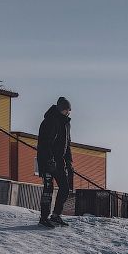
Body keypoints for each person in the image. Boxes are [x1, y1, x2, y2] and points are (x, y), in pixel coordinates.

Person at [36, 97, 74, 227]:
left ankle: (56, 215)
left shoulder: (66, 124)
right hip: (47, 161)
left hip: (60, 162)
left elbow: (67, 145)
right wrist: (49, 159)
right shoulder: (49, 121)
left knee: (65, 188)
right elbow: (44, 143)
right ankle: (44, 217)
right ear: (59, 109)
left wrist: (69, 163)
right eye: (65, 110)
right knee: (48, 189)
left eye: (68, 110)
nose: (67, 112)